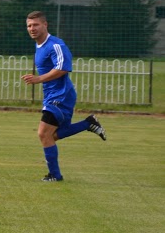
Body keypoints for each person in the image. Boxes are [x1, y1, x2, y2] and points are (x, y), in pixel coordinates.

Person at [21, 10, 105, 182]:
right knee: (52, 136)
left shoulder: (55, 45)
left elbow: (63, 68)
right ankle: (88, 123)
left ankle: (55, 175)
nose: (32, 28)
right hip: (52, 95)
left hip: (61, 95)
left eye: (36, 25)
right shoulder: (39, 46)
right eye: (29, 26)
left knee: (43, 134)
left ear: (45, 25)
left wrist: (39, 79)